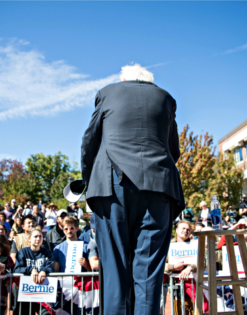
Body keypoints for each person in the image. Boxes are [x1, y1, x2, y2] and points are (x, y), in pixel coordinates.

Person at [81, 64, 184, 315]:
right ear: (149, 82)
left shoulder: (107, 92)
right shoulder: (166, 99)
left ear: (124, 79)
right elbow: (174, 149)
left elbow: (89, 142)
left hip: (111, 185)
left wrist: (88, 183)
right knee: (149, 276)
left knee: (115, 270)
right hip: (159, 187)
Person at [13, 228, 55, 315]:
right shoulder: (22, 252)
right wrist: (31, 270)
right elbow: (17, 269)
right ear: (29, 239)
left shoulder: (47, 252)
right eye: (35, 236)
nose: (38, 239)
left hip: (43, 292)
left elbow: (51, 268)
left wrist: (44, 271)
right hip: (27, 292)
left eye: (40, 237)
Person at [165, 221, 197, 314]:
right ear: (177, 230)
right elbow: (162, 266)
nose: (185, 231)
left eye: (188, 229)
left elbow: (203, 263)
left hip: (194, 287)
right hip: (177, 290)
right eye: (183, 228)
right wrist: (173, 266)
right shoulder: (169, 246)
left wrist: (190, 267)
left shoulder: (194, 245)